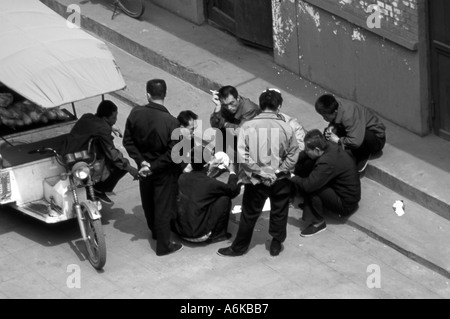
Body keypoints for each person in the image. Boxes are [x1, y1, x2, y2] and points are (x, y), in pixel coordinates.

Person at [217, 89, 300, 257]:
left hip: (256, 180)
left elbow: (243, 156)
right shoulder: (287, 128)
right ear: (279, 106)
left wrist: (260, 172)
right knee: (280, 211)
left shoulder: (247, 127)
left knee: (249, 214)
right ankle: (276, 243)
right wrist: (278, 171)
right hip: (280, 179)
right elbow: (293, 155)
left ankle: (239, 247)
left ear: (261, 106)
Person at [123, 79, 183, 256]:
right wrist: (153, 166)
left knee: (148, 203)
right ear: (165, 94)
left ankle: (156, 232)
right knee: (163, 208)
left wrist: (142, 163)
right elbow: (174, 153)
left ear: (147, 94)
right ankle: (164, 246)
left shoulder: (135, 113)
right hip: (163, 172)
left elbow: (128, 141)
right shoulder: (172, 122)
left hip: (144, 170)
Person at [63, 100, 139, 204]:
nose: (116, 120)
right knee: (121, 165)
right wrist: (130, 168)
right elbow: (112, 152)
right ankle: (98, 189)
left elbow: (96, 125)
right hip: (81, 158)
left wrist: (110, 126)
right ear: (104, 118)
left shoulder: (87, 117)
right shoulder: (103, 129)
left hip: (67, 151)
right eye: (113, 118)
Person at [290, 129, 361, 237]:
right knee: (308, 163)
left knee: (312, 186)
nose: (306, 151)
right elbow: (304, 155)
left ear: (317, 149)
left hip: (345, 203)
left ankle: (318, 223)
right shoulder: (328, 146)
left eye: (308, 149)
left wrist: (291, 177)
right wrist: (290, 162)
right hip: (341, 190)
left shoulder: (327, 162)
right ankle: (312, 205)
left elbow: (309, 185)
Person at [173, 145, 241, 244]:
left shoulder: (182, 178)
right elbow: (233, 190)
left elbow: (199, 184)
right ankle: (219, 235)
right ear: (206, 165)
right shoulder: (210, 183)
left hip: (179, 231)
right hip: (198, 234)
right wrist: (232, 172)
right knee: (224, 199)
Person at [314, 94, 386, 173]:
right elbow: (336, 121)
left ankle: (363, 154)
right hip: (356, 129)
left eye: (326, 116)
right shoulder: (335, 104)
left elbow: (356, 142)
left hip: (375, 139)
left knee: (350, 148)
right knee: (328, 134)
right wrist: (331, 126)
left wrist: (337, 140)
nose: (324, 119)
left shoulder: (348, 116)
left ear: (335, 112)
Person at [210, 86, 261, 162]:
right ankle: (219, 156)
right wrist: (218, 107)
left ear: (238, 98)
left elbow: (240, 131)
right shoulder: (224, 105)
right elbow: (214, 125)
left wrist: (224, 124)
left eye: (232, 103)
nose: (229, 107)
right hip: (235, 136)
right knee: (220, 130)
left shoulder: (249, 109)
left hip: (254, 142)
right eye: (225, 105)